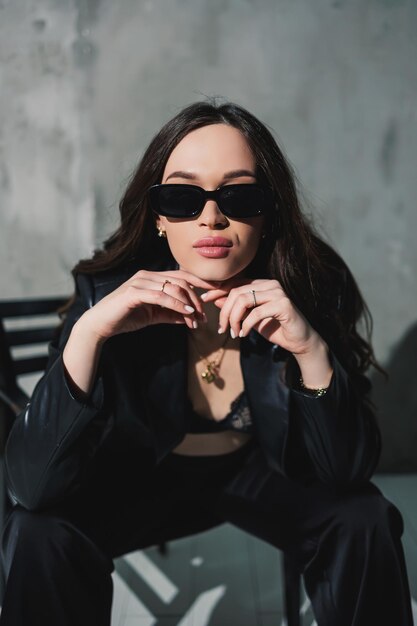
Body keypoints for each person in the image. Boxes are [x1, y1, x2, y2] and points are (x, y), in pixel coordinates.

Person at [1, 100, 413, 626]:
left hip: (258, 469)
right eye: (182, 197)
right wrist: (90, 332)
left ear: (268, 214)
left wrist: (309, 349)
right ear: (157, 218)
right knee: (38, 530)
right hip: (142, 476)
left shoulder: (308, 287)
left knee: (364, 517)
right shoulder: (107, 294)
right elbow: (29, 486)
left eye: (239, 195)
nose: (211, 216)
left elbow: (348, 472)